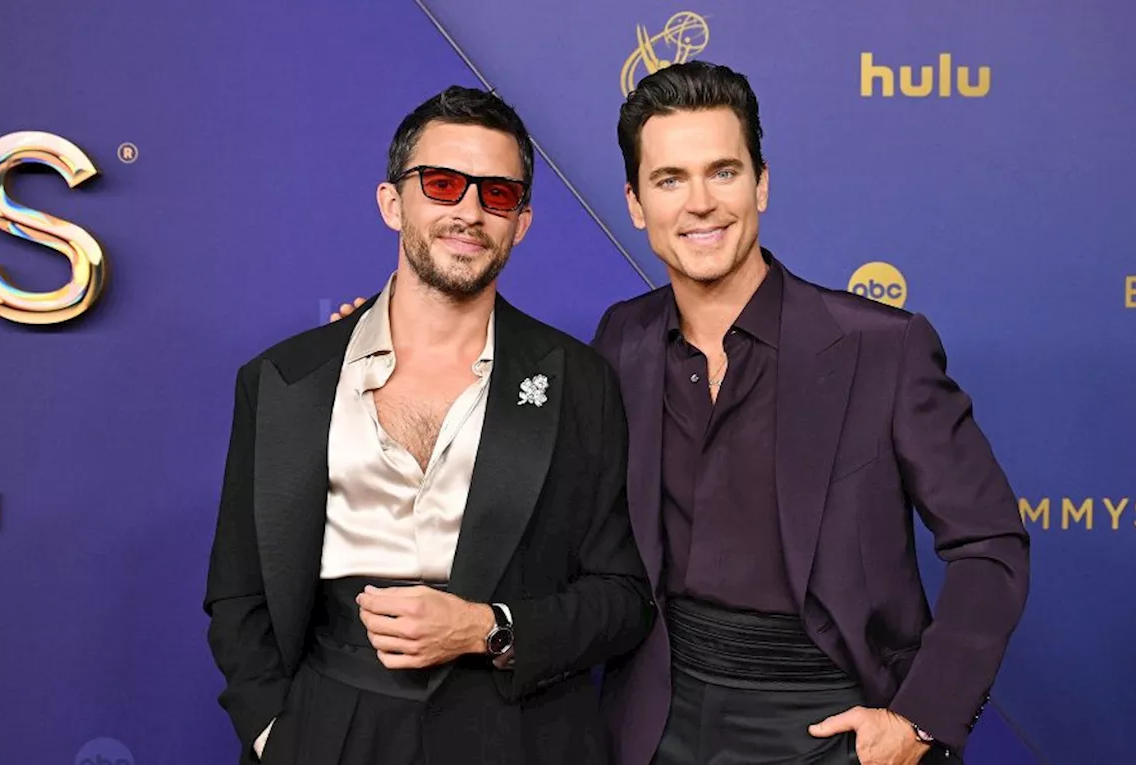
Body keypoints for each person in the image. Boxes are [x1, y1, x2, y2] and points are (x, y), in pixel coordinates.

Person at [332, 63, 1030, 765]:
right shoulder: (620, 342)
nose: (700, 204)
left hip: (832, 718)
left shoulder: (882, 348)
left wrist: (916, 720)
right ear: (636, 203)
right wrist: (403, 350)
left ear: (761, 183)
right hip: (651, 720)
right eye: (670, 180)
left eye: (722, 172)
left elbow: (991, 544)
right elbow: (531, 468)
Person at [206, 85, 653, 765]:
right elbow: (238, 588)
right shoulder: (282, 380)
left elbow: (623, 598)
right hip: (331, 725)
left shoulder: (578, 380)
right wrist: (275, 730)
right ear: (393, 202)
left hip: (520, 732)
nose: (469, 212)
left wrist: (489, 628)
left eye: (497, 194)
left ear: (522, 222)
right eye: (443, 184)